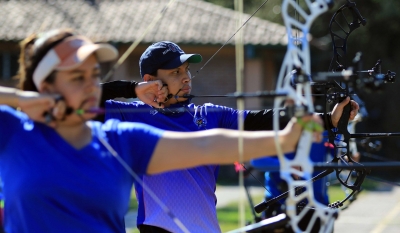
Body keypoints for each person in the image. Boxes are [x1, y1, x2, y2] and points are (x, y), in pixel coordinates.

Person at [0, 28, 321, 233]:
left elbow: (207, 146)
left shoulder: (119, 139)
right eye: (76, 77)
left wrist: (290, 135)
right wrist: (20, 98)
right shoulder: (13, 132)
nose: (89, 86)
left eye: (93, 74)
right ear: (45, 86)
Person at [101, 41, 360, 232]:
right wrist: (132, 89)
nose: (186, 78)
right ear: (150, 80)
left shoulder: (209, 115)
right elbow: (77, 102)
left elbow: (263, 119)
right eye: (175, 73)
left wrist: (329, 119)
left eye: (186, 70)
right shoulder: (129, 115)